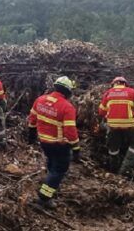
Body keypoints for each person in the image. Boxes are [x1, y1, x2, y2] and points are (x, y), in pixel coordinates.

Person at [26, 76, 80, 209]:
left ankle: (50, 187)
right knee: (59, 170)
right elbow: (70, 131)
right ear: (68, 91)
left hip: (44, 141)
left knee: (52, 164)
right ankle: (43, 198)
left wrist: (31, 135)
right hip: (59, 144)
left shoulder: (40, 99)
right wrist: (76, 148)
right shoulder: (67, 107)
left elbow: (32, 118)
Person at [97, 76, 134, 179]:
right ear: (125, 84)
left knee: (113, 147)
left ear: (114, 84)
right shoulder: (132, 92)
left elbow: (101, 111)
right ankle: (125, 170)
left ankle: (113, 169)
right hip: (129, 125)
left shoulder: (108, 93)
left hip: (112, 126)